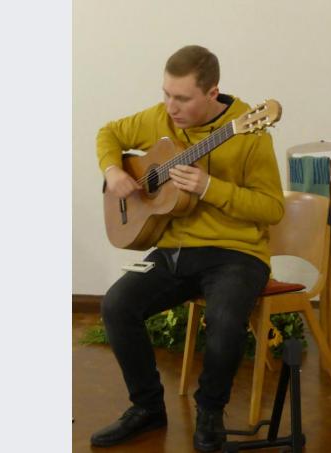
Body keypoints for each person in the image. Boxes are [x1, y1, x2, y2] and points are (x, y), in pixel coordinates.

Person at [90, 45, 284, 452]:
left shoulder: (251, 133)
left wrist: (211, 188)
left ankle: (210, 412)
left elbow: (271, 209)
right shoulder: (160, 119)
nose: (170, 107)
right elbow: (109, 133)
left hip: (237, 252)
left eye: (182, 98)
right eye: (166, 94)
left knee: (226, 319)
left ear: (212, 93)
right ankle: (146, 408)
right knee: (117, 305)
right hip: (176, 248)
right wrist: (113, 169)